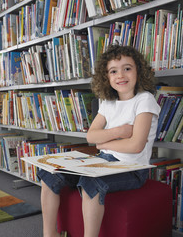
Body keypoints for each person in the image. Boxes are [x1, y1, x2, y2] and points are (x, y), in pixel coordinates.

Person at [38, 45, 161, 237]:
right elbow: (91, 137)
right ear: (107, 77)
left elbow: (135, 146)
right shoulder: (107, 102)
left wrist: (104, 143)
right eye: (113, 71)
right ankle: (49, 234)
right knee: (49, 173)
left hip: (133, 169)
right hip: (103, 160)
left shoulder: (144, 100)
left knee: (91, 181)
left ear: (139, 70)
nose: (120, 75)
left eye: (127, 68)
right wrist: (119, 131)